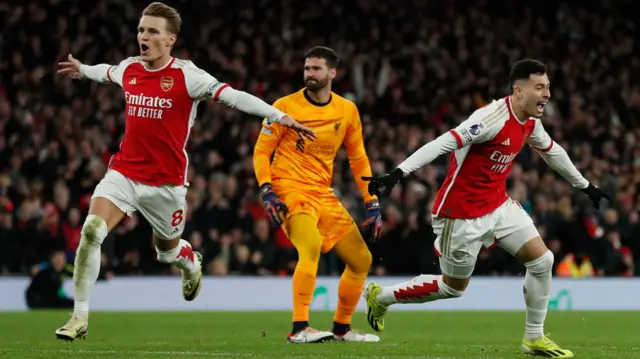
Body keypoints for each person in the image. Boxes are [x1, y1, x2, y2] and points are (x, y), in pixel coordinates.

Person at [54, 2, 316, 342]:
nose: (143, 37)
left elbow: (234, 97)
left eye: (152, 31)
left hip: (166, 185)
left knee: (167, 252)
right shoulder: (130, 68)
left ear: (170, 40)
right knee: (91, 231)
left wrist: (280, 116)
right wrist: (83, 68)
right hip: (124, 174)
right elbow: (106, 71)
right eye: (140, 30)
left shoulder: (187, 76)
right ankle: (79, 316)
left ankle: (190, 261)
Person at [362, 59, 610, 358]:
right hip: (460, 214)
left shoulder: (530, 121)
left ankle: (534, 338)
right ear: (519, 91)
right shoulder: (490, 119)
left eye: (548, 87)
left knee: (543, 260)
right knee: (453, 288)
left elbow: (552, 151)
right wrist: (397, 174)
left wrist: (584, 185)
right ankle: (382, 297)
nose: (547, 95)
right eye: (540, 88)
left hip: (498, 206)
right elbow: (444, 142)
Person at [253, 46, 381, 343]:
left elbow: (358, 159)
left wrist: (372, 202)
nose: (309, 74)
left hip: (323, 193)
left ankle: (341, 329)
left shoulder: (347, 110)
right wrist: (266, 189)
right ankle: (299, 328)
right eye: (307, 68)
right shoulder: (284, 106)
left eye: (316, 69)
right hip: (289, 188)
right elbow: (262, 152)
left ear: (332, 73)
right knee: (309, 248)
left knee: (361, 260)